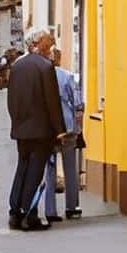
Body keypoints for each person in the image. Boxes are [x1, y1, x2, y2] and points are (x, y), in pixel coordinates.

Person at [5, 27, 66, 232]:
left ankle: (14, 212)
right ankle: (28, 215)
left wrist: (16, 122)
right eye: (48, 41)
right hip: (41, 131)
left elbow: (11, 100)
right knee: (35, 172)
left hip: (21, 129)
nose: (51, 46)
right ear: (37, 43)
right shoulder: (45, 66)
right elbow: (52, 102)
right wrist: (60, 130)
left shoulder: (17, 67)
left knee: (22, 168)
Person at [41, 47, 83, 222]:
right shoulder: (67, 76)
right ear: (58, 59)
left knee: (49, 168)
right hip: (67, 126)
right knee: (70, 168)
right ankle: (71, 207)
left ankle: (50, 210)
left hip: (48, 127)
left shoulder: (41, 77)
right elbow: (78, 102)